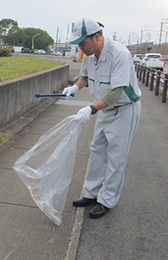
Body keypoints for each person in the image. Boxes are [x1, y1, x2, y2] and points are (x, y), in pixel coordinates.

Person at [63, 18, 141, 219]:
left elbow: (116, 92)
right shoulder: (89, 54)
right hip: (104, 109)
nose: (81, 48)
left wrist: (90, 109)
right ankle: (91, 193)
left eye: (83, 43)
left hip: (124, 109)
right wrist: (74, 87)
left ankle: (107, 200)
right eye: (79, 44)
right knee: (97, 151)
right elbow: (85, 77)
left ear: (97, 37)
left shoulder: (119, 54)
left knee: (116, 156)